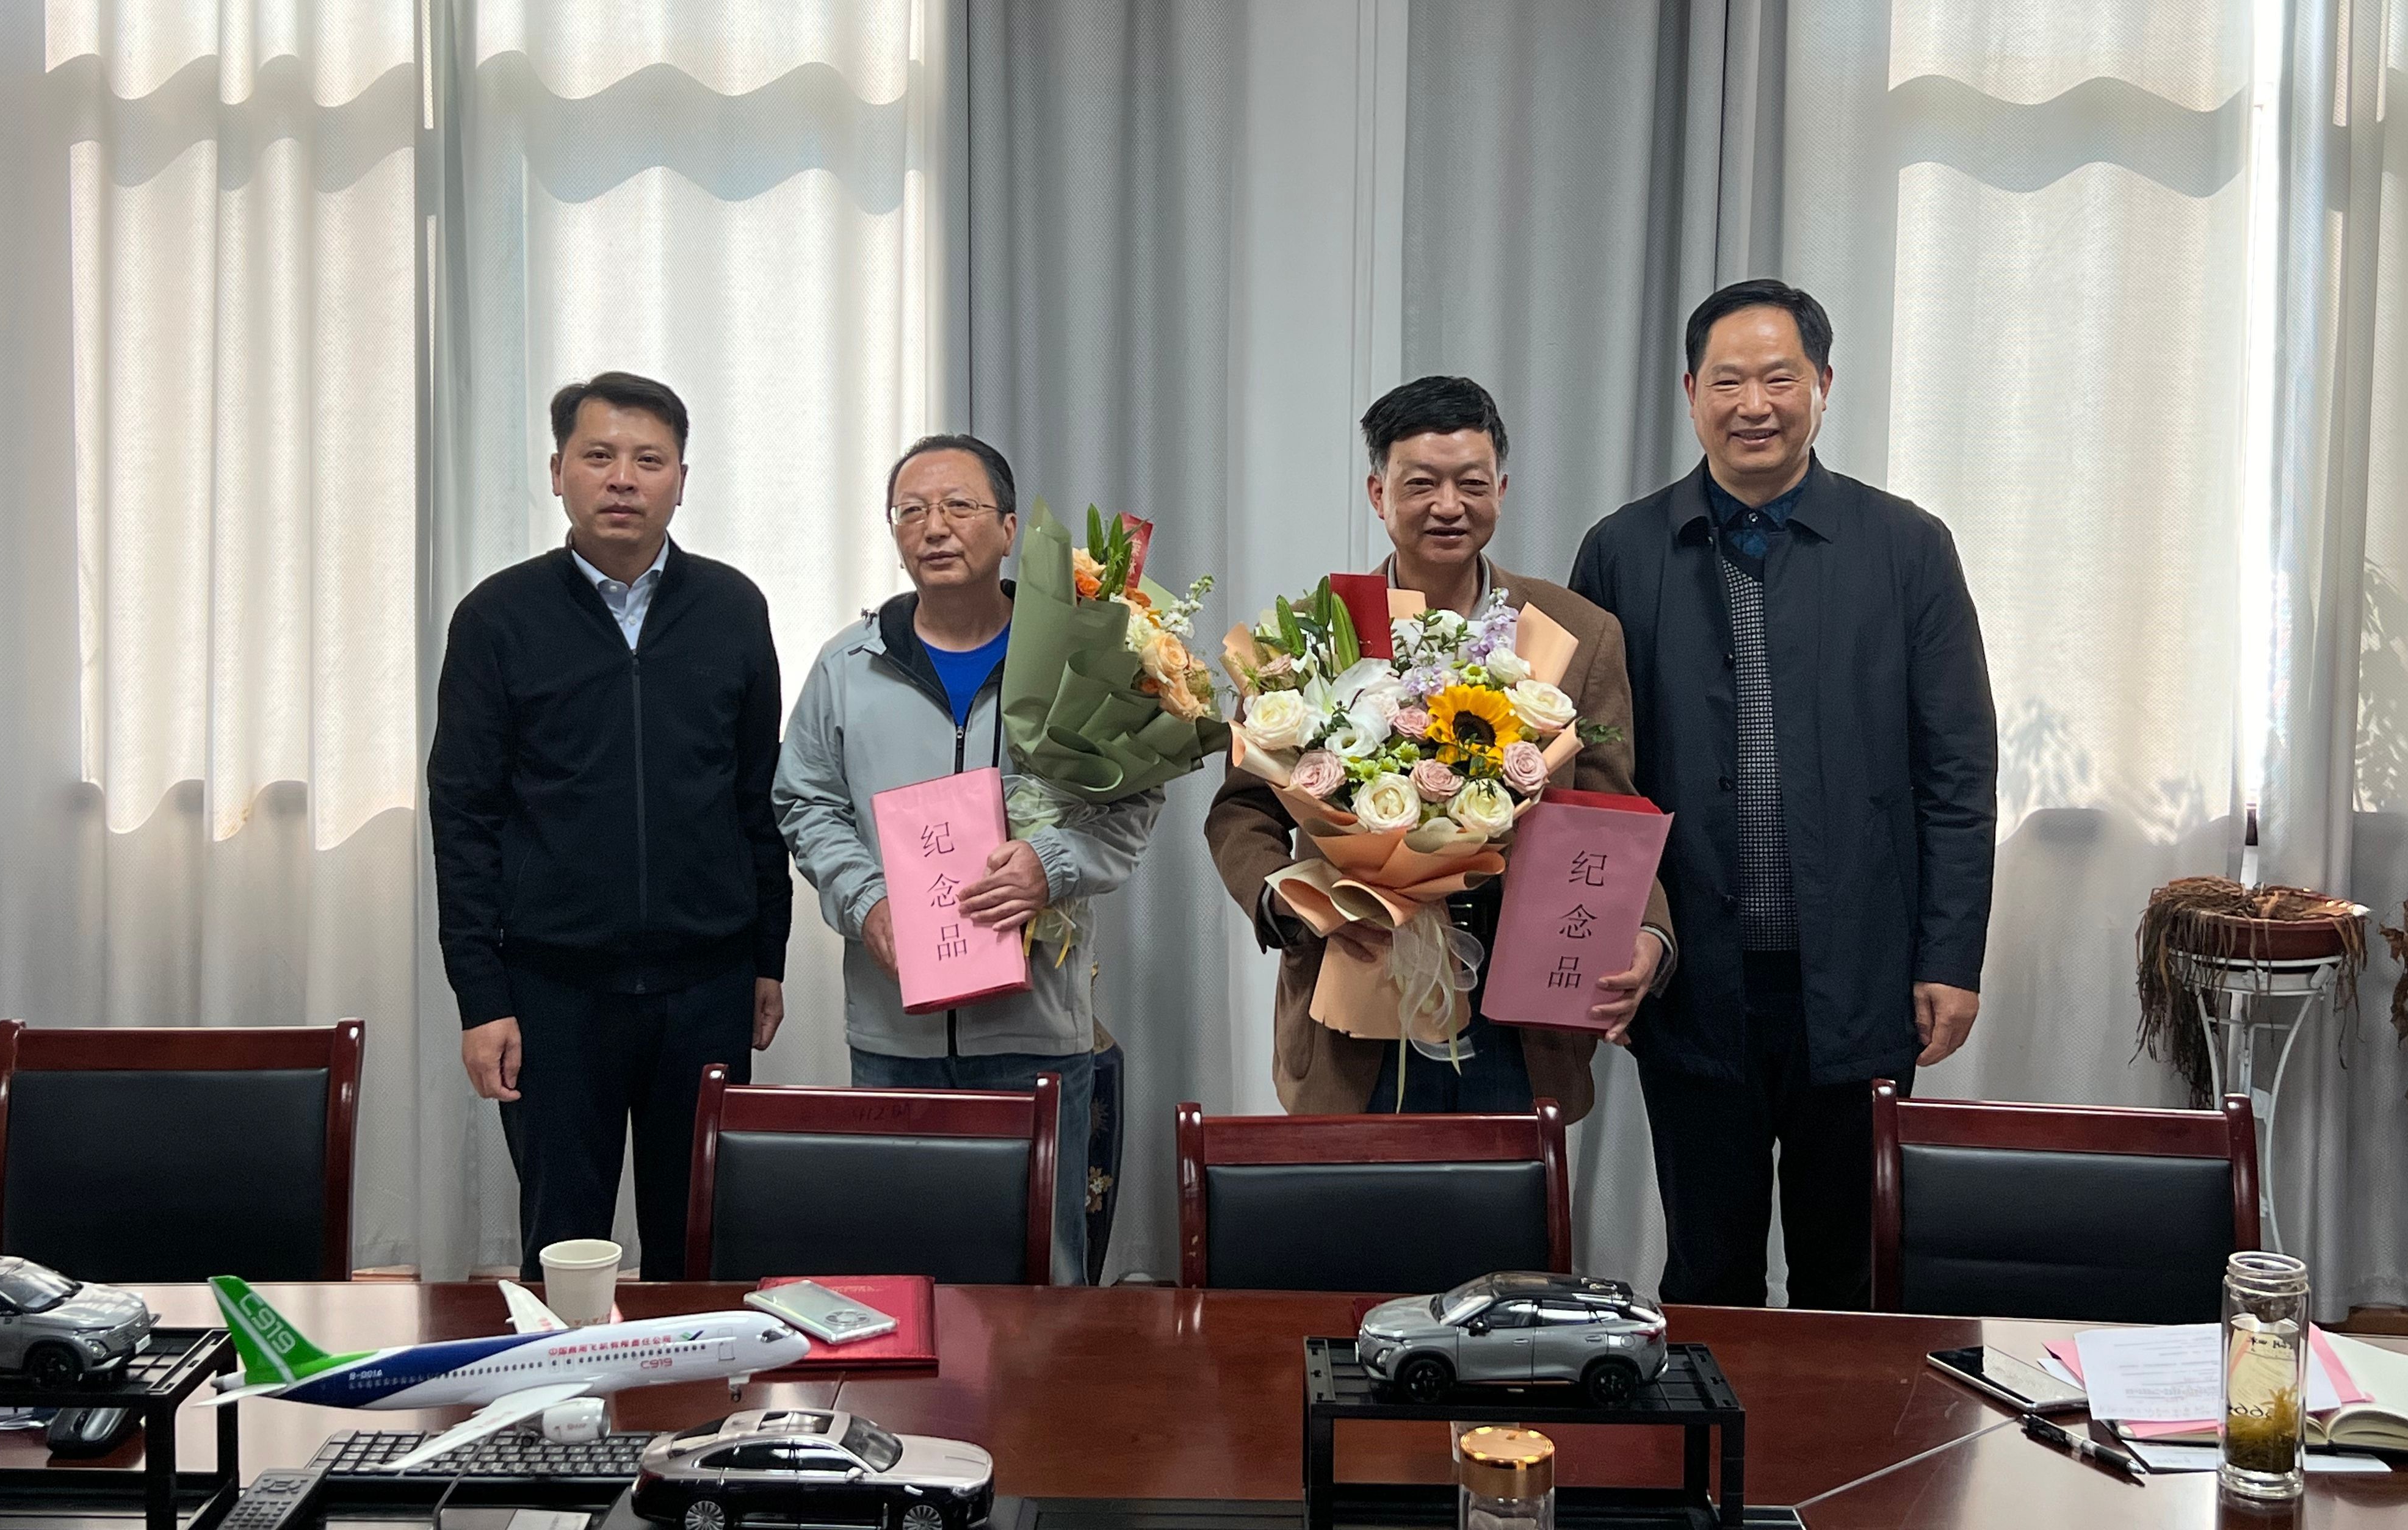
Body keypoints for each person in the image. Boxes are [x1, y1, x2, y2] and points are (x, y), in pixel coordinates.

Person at [1570, 280, 1997, 1310]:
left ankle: (1838, 1426)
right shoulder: (1622, 550)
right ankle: (1704, 1424)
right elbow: (1584, 772)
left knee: (1848, 1273)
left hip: (1861, 976)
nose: (1753, 404)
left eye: (1779, 378)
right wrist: (1600, 947)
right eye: (1727, 381)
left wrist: (1949, 956)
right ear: (1689, 394)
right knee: (1705, 1268)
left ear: (1824, 384)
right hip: (1689, 979)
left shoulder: (1907, 546)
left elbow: (1957, 768)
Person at [1205, 377, 1674, 1118]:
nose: (1449, 506)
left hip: (1520, 1007)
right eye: (1421, 483)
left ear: (1502, 491)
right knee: (1362, 1193)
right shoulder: (1312, 632)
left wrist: (1647, 930)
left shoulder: (1577, 631)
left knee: (1514, 1192)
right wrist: (1289, 902)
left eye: (1472, 484)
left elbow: (1607, 811)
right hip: (1356, 981)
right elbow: (1242, 809)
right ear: (1378, 493)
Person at [771, 435, 1161, 1285]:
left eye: (959, 506)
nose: (934, 527)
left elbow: (1131, 805)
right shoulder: (848, 665)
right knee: (900, 1263)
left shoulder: (1076, 661)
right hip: (895, 1030)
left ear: (1010, 528)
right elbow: (804, 801)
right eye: (911, 510)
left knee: (1043, 1270)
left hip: (1037, 1026)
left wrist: (1050, 864)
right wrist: (867, 900)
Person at [428, 372, 790, 1282]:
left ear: (681, 480)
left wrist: (768, 957)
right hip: (552, 989)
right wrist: (482, 996)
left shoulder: (733, 609)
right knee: (564, 1249)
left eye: (648, 459)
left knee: (698, 1249)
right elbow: (463, 815)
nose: (622, 478)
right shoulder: (497, 617)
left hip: (707, 982)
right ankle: (560, 1381)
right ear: (558, 473)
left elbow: (758, 795)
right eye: (598, 456)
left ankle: (693, 1381)